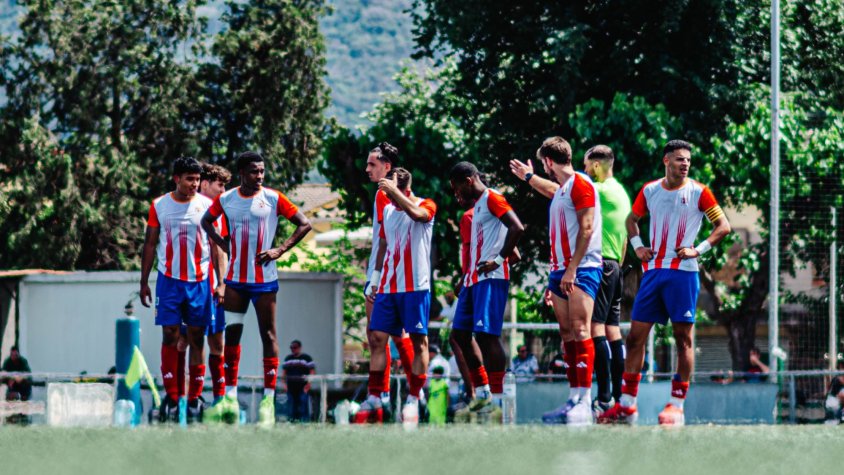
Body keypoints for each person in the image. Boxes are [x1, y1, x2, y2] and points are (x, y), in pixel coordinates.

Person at [599, 140, 731, 426]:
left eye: (688, 161)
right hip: (653, 272)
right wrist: (637, 245)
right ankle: (627, 405)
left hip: (683, 273)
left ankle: (677, 405)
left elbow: (724, 226)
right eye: (680, 159)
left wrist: (699, 249)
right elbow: (631, 220)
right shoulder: (650, 190)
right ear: (666, 161)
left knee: (683, 339)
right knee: (635, 338)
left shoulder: (699, 192)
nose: (685, 164)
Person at [201, 151, 312, 427]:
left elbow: (305, 223)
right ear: (241, 173)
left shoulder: (273, 198)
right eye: (254, 171)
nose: (260, 176)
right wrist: (222, 243)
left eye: (262, 171)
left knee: (269, 335)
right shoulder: (226, 200)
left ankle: (268, 401)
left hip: (264, 282)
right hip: (236, 281)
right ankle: (229, 396)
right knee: (232, 336)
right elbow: (205, 222)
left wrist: (279, 249)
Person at [510, 136, 602, 426]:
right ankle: (574, 397)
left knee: (580, 329)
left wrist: (572, 270)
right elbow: (551, 189)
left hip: (582, 268)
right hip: (558, 271)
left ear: (548, 161)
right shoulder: (564, 189)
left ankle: (586, 401)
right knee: (567, 333)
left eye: (543, 165)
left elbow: (586, 230)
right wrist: (528, 177)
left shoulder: (582, 184)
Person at [140, 156, 221, 423]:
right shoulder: (159, 206)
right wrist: (143, 282)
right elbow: (150, 244)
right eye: (189, 179)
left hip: (199, 282)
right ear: (177, 179)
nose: (194, 184)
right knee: (170, 336)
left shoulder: (208, 206)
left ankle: (195, 395)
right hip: (169, 280)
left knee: (197, 338)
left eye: (197, 179)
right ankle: (173, 395)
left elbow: (216, 246)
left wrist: (220, 282)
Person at [449, 161, 525, 421]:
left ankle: (500, 398)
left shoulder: (493, 197)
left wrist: (500, 259)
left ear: (468, 180)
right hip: (473, 280)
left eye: (456, 187)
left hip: (490, 278)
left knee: (487, 336)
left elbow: (517, 227)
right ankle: (482, 395)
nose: (456, 193)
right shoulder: (478, 206)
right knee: (459, 334)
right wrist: (464, 277)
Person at [363, 167, 436, 428]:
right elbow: (383, 243)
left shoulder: (425, 204)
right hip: (388, 286)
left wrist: (395, 193)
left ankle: (414, 397)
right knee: (377, 337)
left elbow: (418, 215)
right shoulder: (388, 210)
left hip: (415, 287)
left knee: (419, 342)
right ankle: (374, 396)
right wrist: (375, 277)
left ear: (403, 189)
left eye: (392, 195)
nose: (389, 201)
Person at [358, 142, 417, 420]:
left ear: (387, 167)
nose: (367, 168)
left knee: (389, 334)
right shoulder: (382, 195)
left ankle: (408, 393)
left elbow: (385, 242)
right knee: (379, 335)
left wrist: (377, 278)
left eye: (372, 164)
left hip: (387, 277)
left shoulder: (387, 195)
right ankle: (381, 396)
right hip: (382, 273)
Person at [194, 163, 231, 422]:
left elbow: (221, 249)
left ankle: (220, 398)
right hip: (190, 285)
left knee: (217, 342)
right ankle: (188, 396)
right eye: (220, 185)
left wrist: (222, 283)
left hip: (211, 286)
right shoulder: (186, 207)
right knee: (186, 340)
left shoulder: (216, 213)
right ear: (205, 184)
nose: (224, 190)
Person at [281, 340, 315, 422]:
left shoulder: (306, 358)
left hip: (303, 387)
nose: (293, 349)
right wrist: (284, 384)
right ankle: (292, 422)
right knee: (291, 407)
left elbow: (312, 372)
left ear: (299, 348)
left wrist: (309, 384)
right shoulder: (288, 359)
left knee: (303, 406)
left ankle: (304, 423)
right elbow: (284, 373)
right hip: (291, 387)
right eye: (291, 348)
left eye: (295, 347)